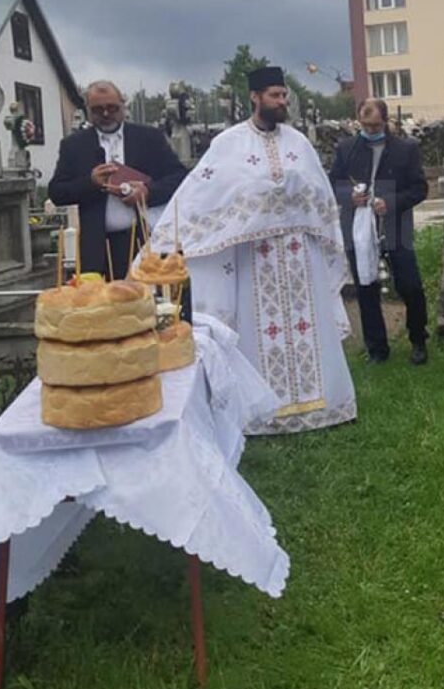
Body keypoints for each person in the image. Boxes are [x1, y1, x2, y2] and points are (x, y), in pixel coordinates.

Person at [148, 67, 356, 433]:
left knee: (310, 326)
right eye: (275, 95)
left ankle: (324, 405)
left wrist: (294, 191)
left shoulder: (299, 143)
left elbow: (319, 192)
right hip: (254, 257)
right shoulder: (228, 144)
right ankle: (266, 411)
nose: (282, 102)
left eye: (284, 95)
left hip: (299, 257)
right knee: (257, 333)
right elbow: (206, 194)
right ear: (255, 98)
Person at [48, 80, 188, 279]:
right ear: (87, 109)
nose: (106, 114)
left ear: (123, 105)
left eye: (112, 108)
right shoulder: (74, 145)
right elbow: (56, 192)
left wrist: (148, 192)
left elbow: (179, 177)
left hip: (143, 239)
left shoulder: (148, 138)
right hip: (96, 247)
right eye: (98, 110)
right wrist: (91, 183)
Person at [329, 98, 429, 365]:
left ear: (385, 121)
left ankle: (418, 340)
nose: (370, 130)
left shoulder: (406, 149)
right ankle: (376, 349)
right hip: (358, 230)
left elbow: (420, 189)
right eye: (365, 125)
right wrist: (349, 196)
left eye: (375, 125)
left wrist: (392, 202)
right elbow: (332, 184)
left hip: (394, 228)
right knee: (366, 288)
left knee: (410, 286)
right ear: (357, 119)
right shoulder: (346, 148)